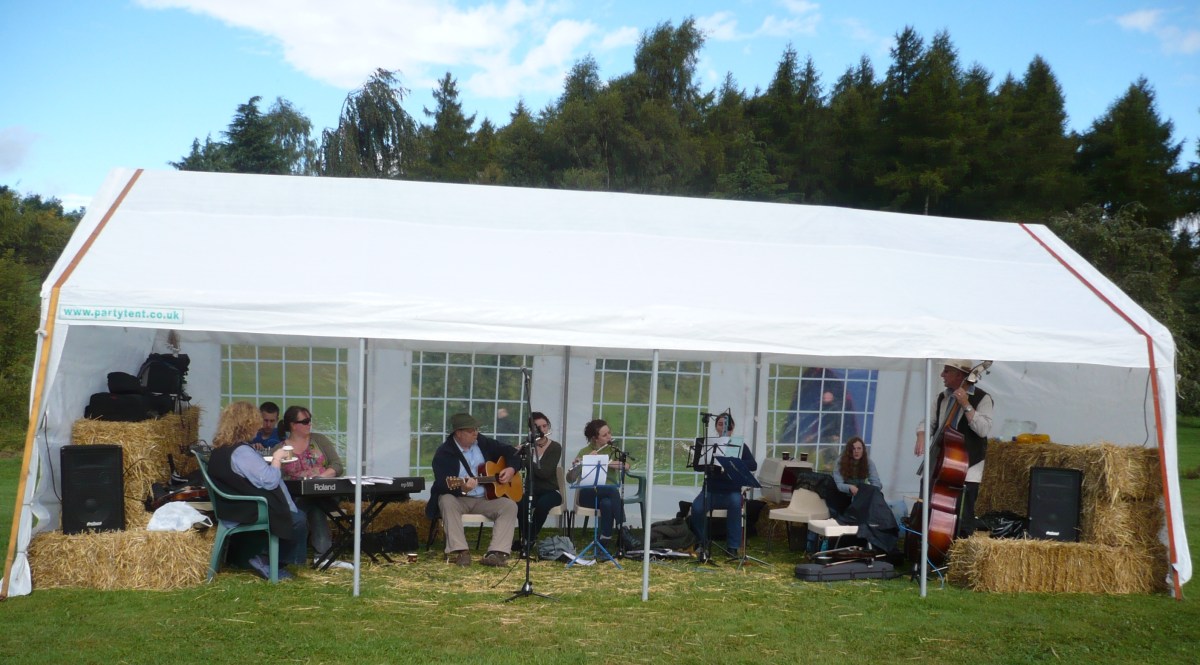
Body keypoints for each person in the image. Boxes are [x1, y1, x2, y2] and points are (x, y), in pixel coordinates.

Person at [206, 401, 308, 580]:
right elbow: (269, 481)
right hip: (248, 508)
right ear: (247, 424)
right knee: (298, 519)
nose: (260, 426)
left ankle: (269, 561)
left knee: (296, 515)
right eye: (256, 421)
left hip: (230, 506)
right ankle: (268, 562)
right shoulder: (241, 452)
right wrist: (277, 459)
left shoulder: (221, 449)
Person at [914, 359, 994, 537]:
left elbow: (983, 430)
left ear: (960, 375)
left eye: (946, 371)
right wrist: (921, 434)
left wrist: (966, 404)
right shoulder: (942, 397)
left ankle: (959, 553)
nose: (942, 375)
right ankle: (927, 543)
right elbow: (929, 421)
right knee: (928, 505)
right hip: (940, 462)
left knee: (963, 515)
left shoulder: (983, 398)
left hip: (968, 467)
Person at [429, 412, 521, 567]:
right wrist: (463, 488)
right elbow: (442, 484)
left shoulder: (483, 443)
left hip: (484, 498)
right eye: (471, 431)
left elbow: (512, 452)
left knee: (509, 506)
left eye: (476, 429)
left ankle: (497, 553)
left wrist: (511, 468)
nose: (476, 433)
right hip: (459, 498)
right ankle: (461, 551)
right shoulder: (444, 453)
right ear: (458, 433)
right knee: (445, 500)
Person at [275, 406, 351, 570]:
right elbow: (276, 477)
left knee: (316, 501)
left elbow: (337, 465)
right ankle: (322, 557)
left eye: (310, 420)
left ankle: (306, 557)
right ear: (293, 425)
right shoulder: (279, 449)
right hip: (296, 496)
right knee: (315, 506)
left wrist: (320, 479)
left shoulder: (319, 440)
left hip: (326, 491)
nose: (310, 424)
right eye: (305, 421)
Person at [687, 413, 757, 555]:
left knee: (735, 506)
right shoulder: (709, 444)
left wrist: (735, 462)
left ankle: (732, 546)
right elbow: (697, 467)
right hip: (711, 490)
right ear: (715, 427)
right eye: (720, 424)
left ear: (732, 427)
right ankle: (702, 542)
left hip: (731, 491)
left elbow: (753, 465)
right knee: (697, 508)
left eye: (726, 424)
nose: (723, 427)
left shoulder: (738, 445)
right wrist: (708, 462)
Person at [567, 419, 628, 549]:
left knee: (607, 502)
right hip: (588, 494)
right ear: (595, 438)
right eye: (604, 435)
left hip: (606, 495)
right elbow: (570, 479)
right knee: (612, 491)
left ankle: (604, 541)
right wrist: (581, 463)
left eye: (609, 433)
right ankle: (623, 529)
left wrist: (605, 462)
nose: (609, 437)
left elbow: (626, 466)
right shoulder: (584, 452)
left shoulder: (613, 450)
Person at [517, 412, 563, 547]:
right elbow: (516, 466)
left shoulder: (555, 447)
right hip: (532, 490)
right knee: (521, 504)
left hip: (551, 491)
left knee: (543, 505)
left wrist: (527, 459)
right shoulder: (527, 446)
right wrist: (517, 454)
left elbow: (545, 473)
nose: (542, 430)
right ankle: (527, 539)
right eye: (538, 427)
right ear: (531, 430)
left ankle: (529, 539)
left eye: (545, 426)